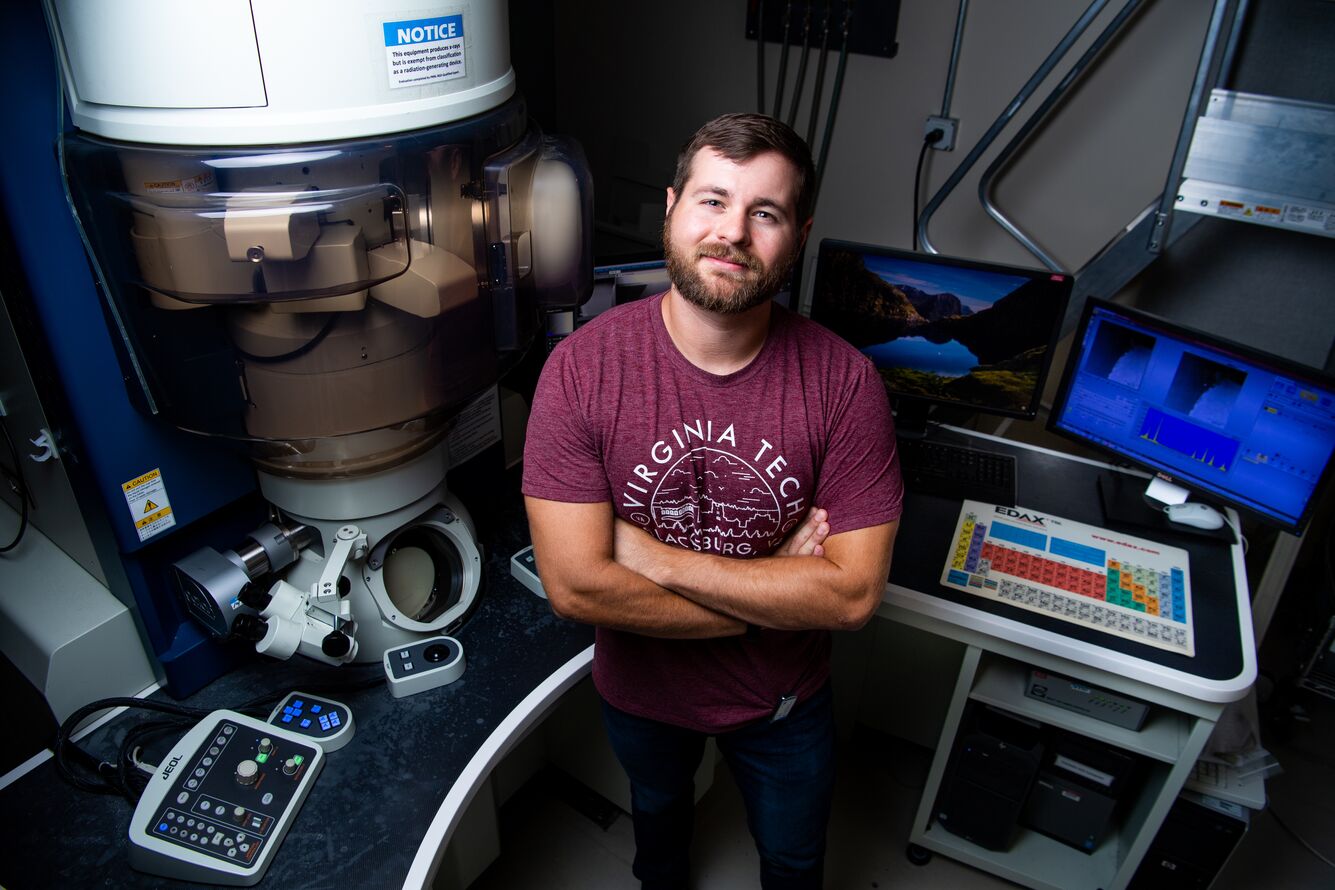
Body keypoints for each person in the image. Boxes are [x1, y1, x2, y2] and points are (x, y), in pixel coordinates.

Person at [522, 112, 903, 890]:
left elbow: (853, 596)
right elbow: (573, 586)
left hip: (784, 704)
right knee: (658, 821)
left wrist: (649, 557)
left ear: (796, 235)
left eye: (764, 213)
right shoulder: (579, 370)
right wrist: (780, 590)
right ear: (671, 207)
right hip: (641, 693)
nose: (732, 232)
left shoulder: (843, 383)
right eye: (712, 201)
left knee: (794, 858)